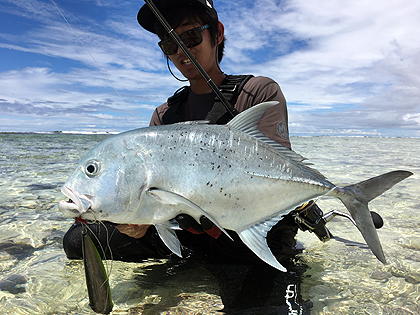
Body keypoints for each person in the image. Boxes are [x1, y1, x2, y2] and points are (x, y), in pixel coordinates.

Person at [63, 0, 323, 312]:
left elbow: (272, 166)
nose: (180, 52)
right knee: (77, 239)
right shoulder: (164, 114)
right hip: (190, 236)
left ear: (218, 34)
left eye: (190, 38)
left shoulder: (257, 93)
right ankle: (188, 261)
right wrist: (135, 221)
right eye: (170, 44)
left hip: (246, 240)